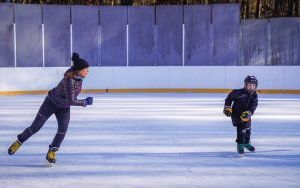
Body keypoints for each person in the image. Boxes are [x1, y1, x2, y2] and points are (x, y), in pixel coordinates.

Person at [8, 52, 93, 165]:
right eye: (86, 69)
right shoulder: (70, 81)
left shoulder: (77, 77)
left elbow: (68, 100)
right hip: (51, 103)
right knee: (35, 127)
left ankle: (52, 151)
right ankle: (19, 141)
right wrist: (85, 102)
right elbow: (71, 100)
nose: (88, 71)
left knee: (63, 129)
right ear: (79, 70)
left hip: (63, 107)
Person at [223, 75, 258, 156]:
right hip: (236, 114)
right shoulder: (238, 92)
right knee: (242, 130)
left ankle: (246, 143)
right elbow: (228, 99)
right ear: (245, 85)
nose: (251, 87)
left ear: (256, 86)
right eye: (249, 85)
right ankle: (240, 145)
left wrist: (249, 112)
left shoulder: (254, 95)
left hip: (247, 115)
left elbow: (254, 105)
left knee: (248, 129)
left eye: (253, 85)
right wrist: (227, 107)